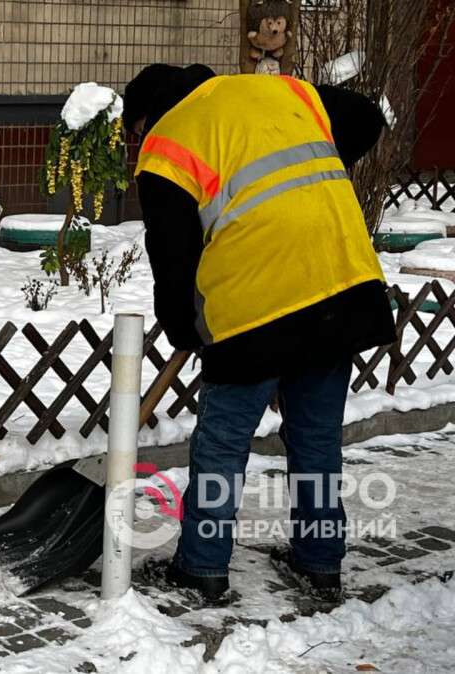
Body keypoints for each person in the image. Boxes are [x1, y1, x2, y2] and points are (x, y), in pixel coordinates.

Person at [122, 64, 393, 605]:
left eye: (135, 131)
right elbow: (367, 116)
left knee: (223, 443)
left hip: (254, 308)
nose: (138, 143)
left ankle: (201, 567)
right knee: (316, 438)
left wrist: (184, 329)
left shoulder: (168, 141)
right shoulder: (280, 91)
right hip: (341, 284)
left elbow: (173, 258)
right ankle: (319, 562)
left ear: (148, 117)